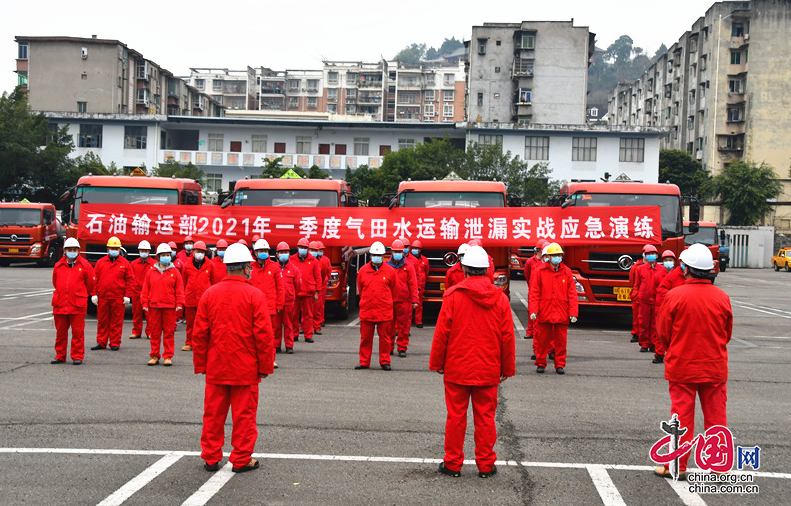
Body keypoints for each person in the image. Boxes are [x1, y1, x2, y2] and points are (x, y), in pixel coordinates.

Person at [430, 245, 515, 479]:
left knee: (456, 417)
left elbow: (442, 333)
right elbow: (507, 336)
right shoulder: (500, 299)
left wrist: (437, 362)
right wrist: (506, 368)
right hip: (488, 368)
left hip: (457, 367)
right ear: (488, 271)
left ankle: (453, 465)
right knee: (486, 418)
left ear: (465, 269)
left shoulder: (453, 296)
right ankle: (486, 466)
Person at [192, 243, 275, 474]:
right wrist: (265, 366)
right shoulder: (255, 295)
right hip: (246, 369)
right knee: (244, 417)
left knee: (213, 414)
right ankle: (240, 459)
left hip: (216, 367)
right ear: (247, 268)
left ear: (227, 267)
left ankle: (210, 458)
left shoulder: (210, 294)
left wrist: (201, 365)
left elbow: (199, 334)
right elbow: (264, 336)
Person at [654, 244, 732, 481]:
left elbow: (663, 332)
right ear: (709, 270)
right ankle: (718, 465)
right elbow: (726, 333)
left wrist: (676, 348)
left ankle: (676, 465)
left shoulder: (674, 296)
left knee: (682, 417)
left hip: (683, 367)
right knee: (716, 416)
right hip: (714, 366)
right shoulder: (722, 297)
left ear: (685, 269)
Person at [529, 242, 577, 374]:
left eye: (559, 255)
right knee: (542, 340)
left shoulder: (566, 272)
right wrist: (533, 310)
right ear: (548, 257)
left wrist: (573, 312)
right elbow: (534, 292)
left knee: (561, 341)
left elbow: (572, 293)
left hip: (562, 312)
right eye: (554, 255)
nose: (557, 257)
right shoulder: (540, 271)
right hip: (545, 311)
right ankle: (540, 362)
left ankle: (560, 364)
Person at [51, 238, 96, 365]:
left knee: (77, 333)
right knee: (60, 333)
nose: (72, 252)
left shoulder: (85, 266)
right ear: (65, 251)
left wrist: (79, 294)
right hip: (60, 304)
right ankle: (60, 355)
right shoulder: (58, 266)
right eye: (69, 250)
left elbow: (90, 284)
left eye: (74, 250)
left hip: (77, 305)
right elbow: (55, 282)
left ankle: (77, 356)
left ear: (78, 251)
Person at [141, 243, 185, 366]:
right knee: (154, 333)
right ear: (158, 257)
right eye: (163, 255)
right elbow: (145, 289)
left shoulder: (175, 272)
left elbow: (179, 289)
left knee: (169, 333)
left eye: (168, 255)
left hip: (169, 307)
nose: (166, 257)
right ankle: (154, 355)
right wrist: (144, 303)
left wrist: (180, 303)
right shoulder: (151, 272)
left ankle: (168, 356)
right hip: (154, 307)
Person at [355, 241, 397, 371]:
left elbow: (394, 290)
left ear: (384, 256)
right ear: (370, 255)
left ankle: (385, 361)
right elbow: (361, 290)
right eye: (374, 254)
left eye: (379, 255)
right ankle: (364, 361)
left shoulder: (390, 271)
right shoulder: (363, 271)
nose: (376, 257)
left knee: (385, 338)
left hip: (384, 310)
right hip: (367, 310)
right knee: (365, 338)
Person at [91, 236, 133, 352]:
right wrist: (94, 294)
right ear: (107, 249)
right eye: (111, 248)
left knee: (116, 321)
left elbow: (130, 280)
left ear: (120, 249)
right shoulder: (100, 263)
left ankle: (115, 342)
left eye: (116, 248)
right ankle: (101, 342)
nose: (114, 250)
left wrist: (127, 295)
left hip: (118, 297)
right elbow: (94, 279)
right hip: (103, 297)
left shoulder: (125, 264)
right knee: (102, 321)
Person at [182, 241, 219, 352]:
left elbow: (213, 282)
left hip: (205, 299)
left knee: (205, 323)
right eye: (198, 251)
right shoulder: (187, 266)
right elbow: (184, 282)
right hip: (191, 297)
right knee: (190, 322)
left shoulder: (211, 265)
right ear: (193, 252)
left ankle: (204, 343)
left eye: (202, 251)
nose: (200, 254)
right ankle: (189, 342)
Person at [251, 239, 285, 352]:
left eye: (265, 250)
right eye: (261, 250)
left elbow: (280, 287)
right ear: (255, 253)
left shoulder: (274, 267)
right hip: (253, 307)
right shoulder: (250, 267)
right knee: (253, 333)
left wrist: (280, 305)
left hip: (270, 307)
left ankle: (270, 358)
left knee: (270, 334)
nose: (263, 253)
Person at [387, 239, 419, 357]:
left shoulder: (409, 267)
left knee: (404, 327)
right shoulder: (386, 266)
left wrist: (415, 300)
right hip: (389, 301)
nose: (397, 254)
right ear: (392, 252)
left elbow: (413, 284)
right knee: (389, 327)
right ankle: (389, 347)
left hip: (404, 301)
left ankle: (402, 347)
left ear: (403, 252)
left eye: (399, 251)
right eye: (395, 251)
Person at [633, 245, 662, 356]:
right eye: (648, 254)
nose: (651, 256)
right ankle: (644, 344)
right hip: (643, 300)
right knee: (643, 323)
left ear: (657, 255)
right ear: (644, 256)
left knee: (655, 324)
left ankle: (654, 343)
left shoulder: (661, 269)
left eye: (653, 254)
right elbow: (637, 284)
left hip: (656, 300)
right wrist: (636, 297)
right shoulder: (640, 269)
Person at [648, 250, 677, 364]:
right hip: (660, 307)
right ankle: (659, 354)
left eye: (670, 260)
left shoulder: (678, 276)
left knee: (674, 332)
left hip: (674, 307)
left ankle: (672, 354)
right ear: (662, 262)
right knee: (659, 331)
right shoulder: (658, 276)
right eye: (666, 260)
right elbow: (653, 291)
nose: (668, 262)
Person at [290, 237, 321, 343]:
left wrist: (317, 292)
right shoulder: (292, 259)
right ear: (297, 248)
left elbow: (318, 277)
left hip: (308, 291)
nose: (302, 249)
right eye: (301, 247)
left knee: (308, 314)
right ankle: (294, 334)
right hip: (295, 291)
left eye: (305, 247)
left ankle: (308, 335)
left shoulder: (314, 261)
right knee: (294, 314)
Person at [275, 242, 302, 354]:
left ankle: (289, 345)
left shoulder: (294, 269)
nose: (283, 254)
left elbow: (298, 285)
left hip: (289, 301)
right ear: (277, 254)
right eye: (281, 252)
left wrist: (291, 295)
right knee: (276, 325)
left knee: (288, 324)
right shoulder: (273, 268)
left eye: (285, 252)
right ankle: (276, 345)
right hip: (276, 302)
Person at [524, 239, 549, 340]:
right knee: (532, 311)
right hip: (534, 290)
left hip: (545, 292)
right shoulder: (530, 262)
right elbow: (527, 276)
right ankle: (530, 331)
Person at [129, 240, 155, 340]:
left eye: (145, 250)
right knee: (136, 313)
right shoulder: (134, 264)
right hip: (136, 291)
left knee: (149, 314)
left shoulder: (154, 264)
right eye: (142, 250)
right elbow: (130, 277)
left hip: (149, 293)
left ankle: (150, 332)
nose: (144, 252)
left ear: (149, 251)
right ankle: (136, 331)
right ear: (139, 251)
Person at [629, 245, 651, 343]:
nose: (649, 256)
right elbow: (633, 281)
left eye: (651, 254)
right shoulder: (636, 267)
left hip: (649, 295)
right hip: (638, 295)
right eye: (647, 254)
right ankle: (636, 334)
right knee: (637, 317)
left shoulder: (656, 267)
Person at [409, 239, 430, 329]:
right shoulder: (408, 259)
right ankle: (408, 323)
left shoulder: (425, 260)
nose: (414, 249)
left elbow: (427, 272)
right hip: (410, 285)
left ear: (420, 250)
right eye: (413, 248)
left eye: (416, 248)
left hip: (420, 286)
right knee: (408, 306)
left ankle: (418, 321)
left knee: (419, 305)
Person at [311, 241, 330, 335]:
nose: (319, 251)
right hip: (309, 288)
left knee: (318, 307)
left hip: (320, 287)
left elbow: (326, 273)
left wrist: (322, 284)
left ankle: (317, 326)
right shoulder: (308, 261)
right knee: (306, 309)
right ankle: (304, 327)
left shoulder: (324, 260)